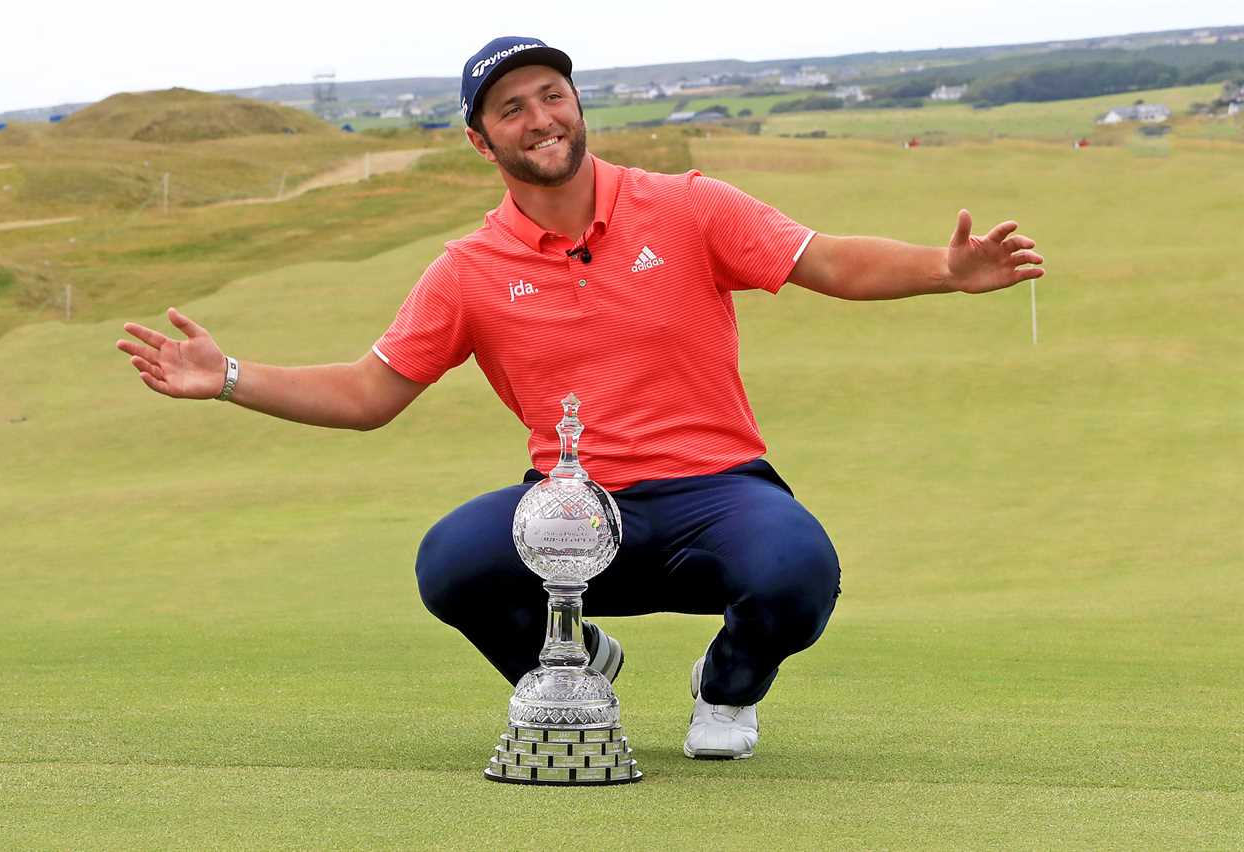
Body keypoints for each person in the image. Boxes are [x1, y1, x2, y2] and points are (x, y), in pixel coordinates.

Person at [117, 36, 1044, 761]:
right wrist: (230, 377)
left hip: (715, 489)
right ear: (482, 141)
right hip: (573, 510)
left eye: (552, 95)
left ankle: (725, 690)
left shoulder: (686, 205)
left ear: (577, 104)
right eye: (512, 109)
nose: (540, 117)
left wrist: (945, 271)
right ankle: (574, 666)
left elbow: (827, 260)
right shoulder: (468, 271)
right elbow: (369, 393)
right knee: (450, 562)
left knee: (799, 571)